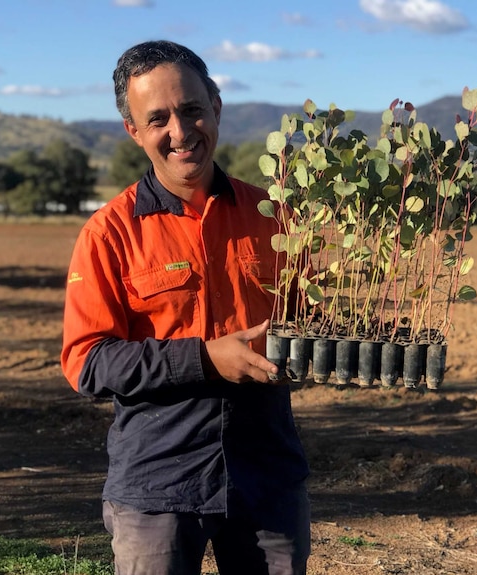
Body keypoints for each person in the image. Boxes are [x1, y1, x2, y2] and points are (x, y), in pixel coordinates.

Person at [60, 40, 310, 575]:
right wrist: (205, 358)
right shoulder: (109, 233)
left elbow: (310, 324)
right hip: (157, 482)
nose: (180, 131)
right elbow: (87, 362)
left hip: (267, 475)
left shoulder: (276, 220)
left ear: (215, 106)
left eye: (192, 109)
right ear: (133, 131)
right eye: (158, 119)